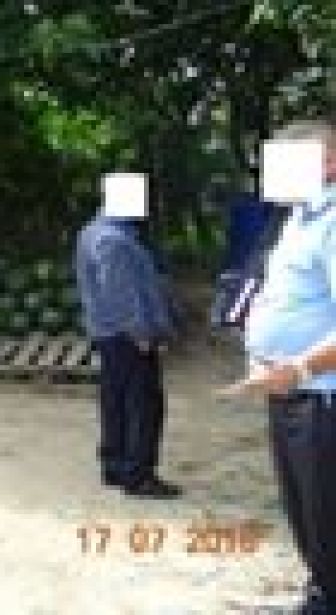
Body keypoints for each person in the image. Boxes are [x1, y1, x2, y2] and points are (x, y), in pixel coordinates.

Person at [228, 118, 336, 615]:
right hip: (291, 391)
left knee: (326, 512)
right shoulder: (298, 219)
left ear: (328, 164)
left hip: (321, 396)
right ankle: (320, 594)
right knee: (306, 510)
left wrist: (298, 369)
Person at [74, 189, 182, 499]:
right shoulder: (114, 240)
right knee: (142, 406)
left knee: (115, 401)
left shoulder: (94, 231)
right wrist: (142, 333)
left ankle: (115, 465)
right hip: (127, 337)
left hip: (109, 334)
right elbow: (120, 293)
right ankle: (138, 476)